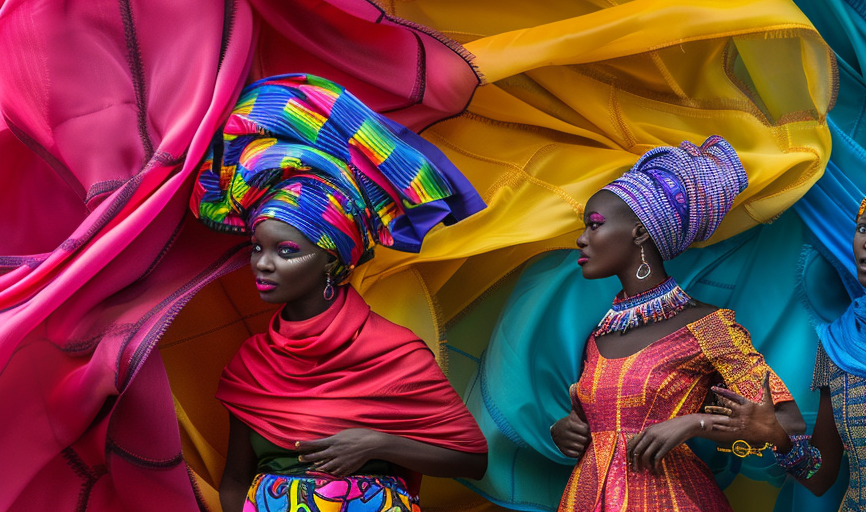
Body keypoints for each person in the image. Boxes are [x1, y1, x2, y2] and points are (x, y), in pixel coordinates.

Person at [192, 74, 489, 512]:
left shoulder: (395, 351)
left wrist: (375, 443)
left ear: (332, 260)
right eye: (258, 247)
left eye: (286, 250)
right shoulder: (251, 362)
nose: (263, 262)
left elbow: (471, 457)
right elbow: (235, 480)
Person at [547, 136, 807, 511]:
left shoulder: (710, 326)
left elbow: (788, 423)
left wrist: (693, 424)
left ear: (639, 232)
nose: (582, 239)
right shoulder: (599, 335)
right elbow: (600, 421)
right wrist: (567, 429)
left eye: (595, 225)